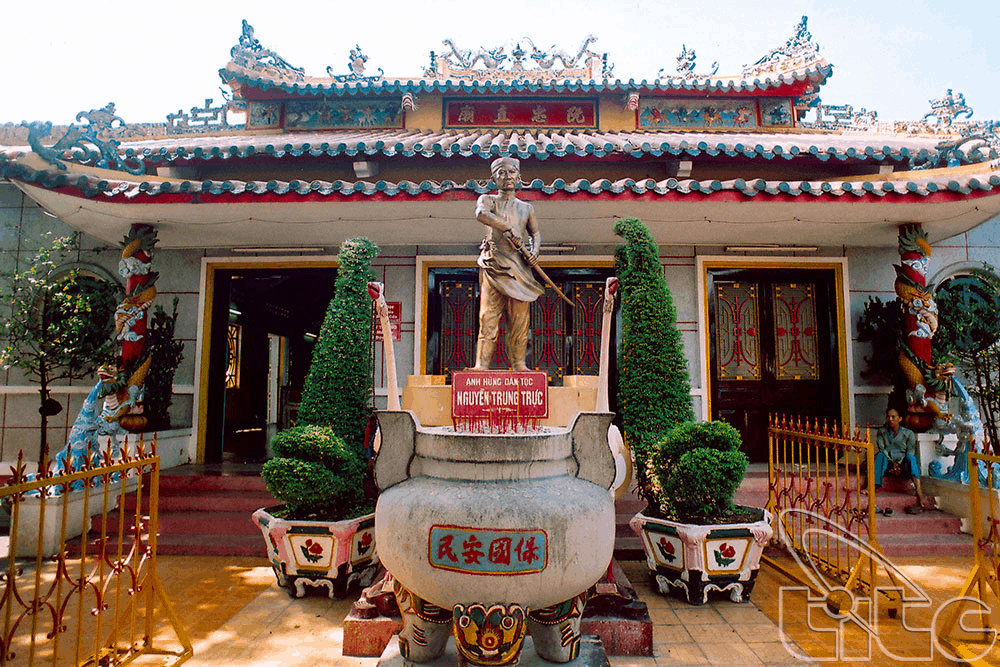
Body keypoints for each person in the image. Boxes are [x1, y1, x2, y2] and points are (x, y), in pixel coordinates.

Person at [472, 157, 544, 371]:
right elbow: (481, 214)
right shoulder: (488, 200)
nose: (507, 176)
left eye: (511, 172)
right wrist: (506, 227)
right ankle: (481, 365)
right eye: (501, 173)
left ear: (518, 176)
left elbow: (536, 233)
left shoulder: (526, 208)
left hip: (520, 268)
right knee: (488, 317)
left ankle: (519, 364)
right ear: (493, 178)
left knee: (520, 322)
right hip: (494, 265)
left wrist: (534, 252)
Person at [873, 407, 930, 514]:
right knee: (880, 455)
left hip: (903, 466)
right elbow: (882, 449)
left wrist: (898, 464)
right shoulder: (882, 432)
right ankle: (873, 486)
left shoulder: (908, 434)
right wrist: (892, 463)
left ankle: (919, 493)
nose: (890, 419)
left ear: (900, 419)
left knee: (911, 458)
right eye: (888, 417)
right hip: (888, 465)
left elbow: (910, 451)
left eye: (893, 417)